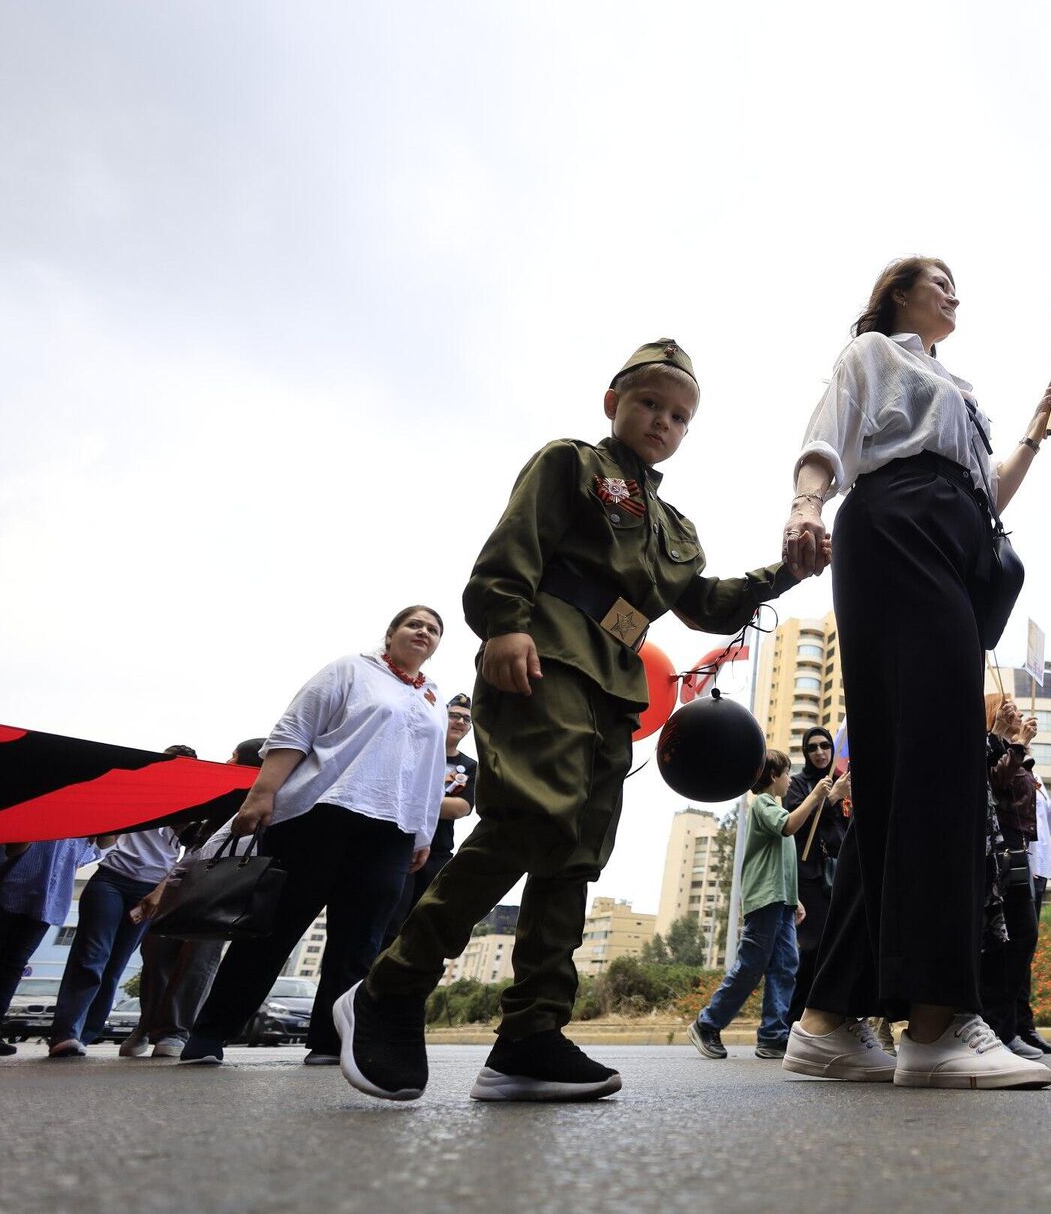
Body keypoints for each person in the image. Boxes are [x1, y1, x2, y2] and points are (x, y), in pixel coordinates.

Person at [341, 340, 804, 1105]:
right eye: (650, 402)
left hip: (615, 687)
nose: (663, 420)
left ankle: (529, 1033)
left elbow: (705, 603)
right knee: (530, 817)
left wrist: (784, 570)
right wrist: (503, 622)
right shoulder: (572, 464)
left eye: (679, 415)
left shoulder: (675, 526)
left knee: (575, 853)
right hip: (544, 652)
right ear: (613, 402)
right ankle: (389, 988)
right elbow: (515, 544)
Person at [780, 257, 1051, 1091]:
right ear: (896, 294)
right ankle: (936, 1023)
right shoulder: (875, 355)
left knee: (910, 776)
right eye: (935, 279)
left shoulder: (963, 391)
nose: (952, 290)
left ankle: (827, 1018)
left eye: (954, 283)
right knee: (941, 766)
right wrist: (806, 504)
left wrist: (1034, 433)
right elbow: (827, 436)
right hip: (893, 532)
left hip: (953, 541)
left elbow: (988, 495)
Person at [180, 607, 449, 1069]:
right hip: (320, 813)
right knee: (274, 928)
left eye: (433, 629)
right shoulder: (351, 669)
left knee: (360, 941)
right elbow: (295, 729)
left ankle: (329, 1040)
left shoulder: (433, 700)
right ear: (390, 634)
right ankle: (210, 1033)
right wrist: (261, 793)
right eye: (414, 624)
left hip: (392, 830)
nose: (423, 632)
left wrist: (422, 831)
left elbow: (429, 772)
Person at [689, 749, 847, 1060]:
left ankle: (773, 1035)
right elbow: (789, 826)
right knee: (751, 964)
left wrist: (795, 899)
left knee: (786, 966)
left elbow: (781, 863)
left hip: (783, 901)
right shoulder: (762, 804)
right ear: (773, 777)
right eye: (787, 773)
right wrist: (815, 796)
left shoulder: (773, 806)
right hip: (765, 899)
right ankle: (707, 1023)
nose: (790, 779)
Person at [46, 746, 198, 1056]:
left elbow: (187, 857)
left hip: (150, 890)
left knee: (116, 965)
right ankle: (65, 1034)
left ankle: (86, 1035)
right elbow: (104, 832)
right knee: (92, 954)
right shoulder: (135, 788)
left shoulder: (192, 803)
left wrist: (158, 893)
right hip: (111, 879)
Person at [123, 738, 264, 1058]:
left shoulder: (267, 798)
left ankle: (175, 1031)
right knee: (157, 953)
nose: (227, 761)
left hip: (227, 886)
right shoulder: (217, 793)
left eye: (234, 756)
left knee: (197, 960)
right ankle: (146, 1025)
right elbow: (191, 838)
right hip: (185, 880)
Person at [0, 836, 106, 1056]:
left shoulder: (85, 821)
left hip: (48, 899)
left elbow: (89, 855)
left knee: (13, 965)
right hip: (10, 883)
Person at [383, 694, 477, 942]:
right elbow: (391, 790)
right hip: (397, 847)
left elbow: (460, 808)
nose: (460, 722)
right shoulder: (414, 751)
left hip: (436, 856)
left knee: (420, 928)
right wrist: (432, 802)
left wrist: (413, 798)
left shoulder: (470, 766)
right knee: (387, 924)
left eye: (466, 719)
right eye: (454, 715)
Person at [982, 702, 1042, 1056]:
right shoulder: (992, 746)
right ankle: (998, 1030)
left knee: (1023, 937)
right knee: (1003, 941)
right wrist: (1017, 742)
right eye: (1007, 707)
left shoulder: (1011, 748)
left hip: (1018, 852)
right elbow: (995, 782)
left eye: (1017, 708)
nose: (1015, 712)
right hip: (997, 850)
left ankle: (1006, 1028)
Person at [782, 725, 844, 1023]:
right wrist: (828, 799)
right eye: (813, 748)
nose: (820, 752)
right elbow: (795, 826)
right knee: (812, 949)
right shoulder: (798, 784)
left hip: (840, 875)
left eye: (825, 746)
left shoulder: (843, 783)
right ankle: (795, 1022)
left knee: (837, 950)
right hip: (809, 876)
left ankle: (828, 1020)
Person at [1019, 771, 1051, 1056]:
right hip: (1019, 865)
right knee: (1016, 949)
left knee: (1026, 950)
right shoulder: (1007, 762)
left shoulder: (1033, 773)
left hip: (1038, 869)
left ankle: (1023, 1027)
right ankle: (1011, 1025)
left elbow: (1044, 827)